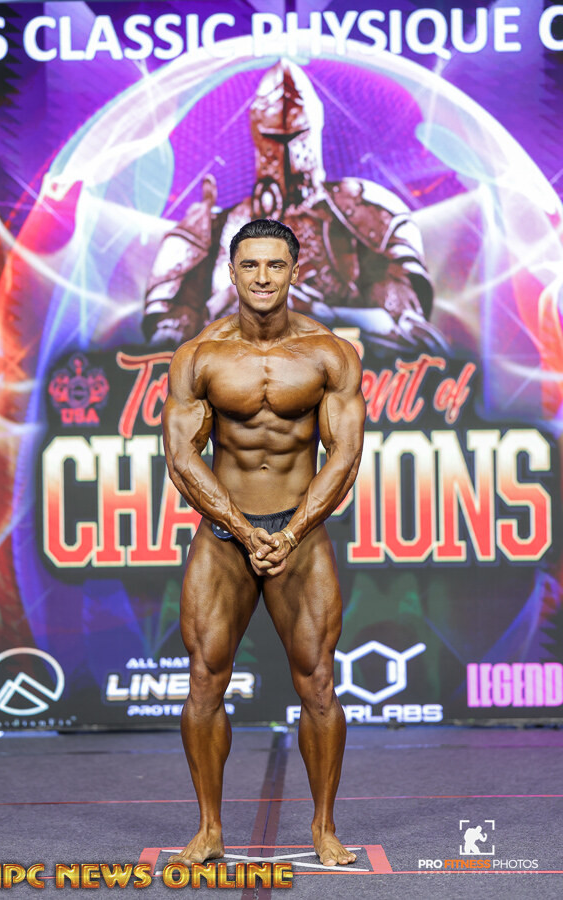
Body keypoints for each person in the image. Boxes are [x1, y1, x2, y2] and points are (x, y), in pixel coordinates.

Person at [161, 217, 366, 867]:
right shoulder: (200, 355)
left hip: (300, 536)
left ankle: (324, 827)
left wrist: (293, 530)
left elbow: (344, 457)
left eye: (276, 265)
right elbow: (182, 458)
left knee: (319, 683)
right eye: (250, 265)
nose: (262, 277)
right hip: (227, 536)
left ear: (295, 271)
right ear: (231, 272)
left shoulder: (329, 353)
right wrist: (247, 531)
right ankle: (209, 828)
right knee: (204, 681)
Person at [146, 59, 446, 355]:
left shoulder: (362, 213)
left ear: (312, 130)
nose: (287, 150)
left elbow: (407, 329)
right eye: (274, 138)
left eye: (296, 136)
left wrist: (317, 312)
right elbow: (168, 341)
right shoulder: (219, 227)